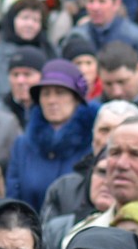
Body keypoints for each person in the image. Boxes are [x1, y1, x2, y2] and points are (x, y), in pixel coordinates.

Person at [8, 59, 99, 210]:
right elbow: (13, 199)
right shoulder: (23, 145)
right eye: (46, 94)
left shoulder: (93, 142)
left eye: (60, 93)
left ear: (76, 98)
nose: (52, 100)